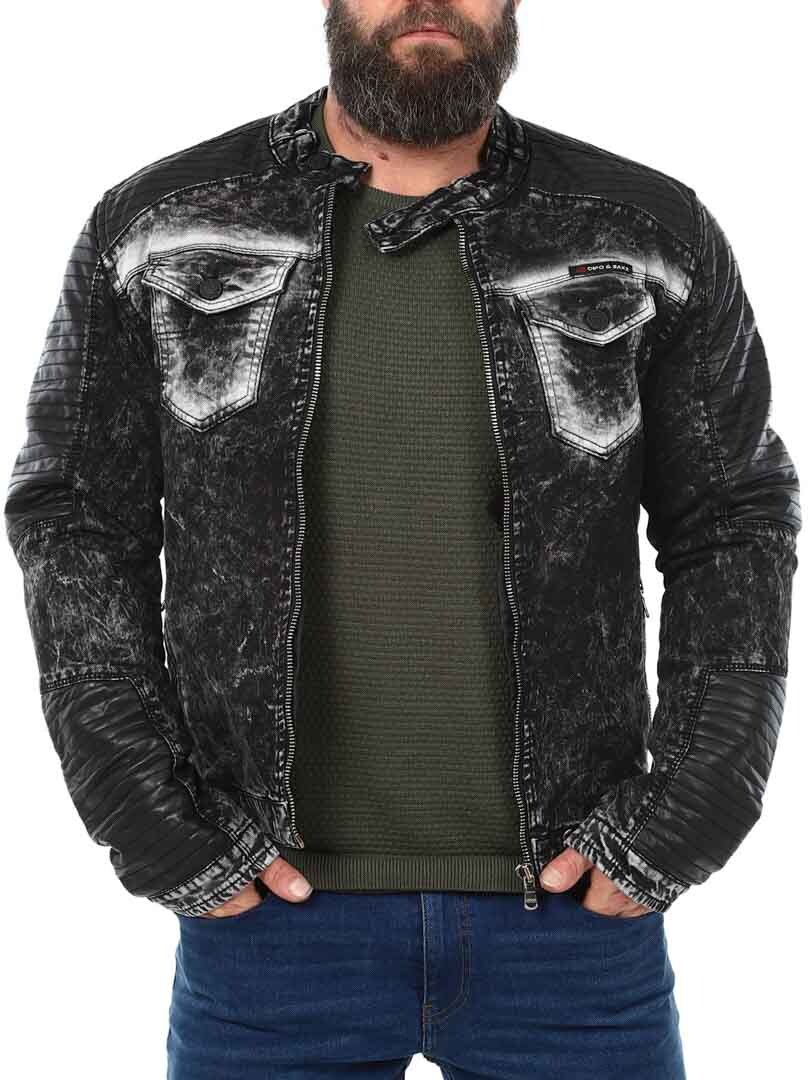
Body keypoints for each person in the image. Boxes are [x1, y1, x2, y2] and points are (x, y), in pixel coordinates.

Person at [5, 1, 801, 1077]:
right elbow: (75, 518)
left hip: (573, 917)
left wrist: (693, 806)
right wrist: (145, 813)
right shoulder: (162, 222)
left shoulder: (643, 228)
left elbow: (733, 518)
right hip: (267, 922)